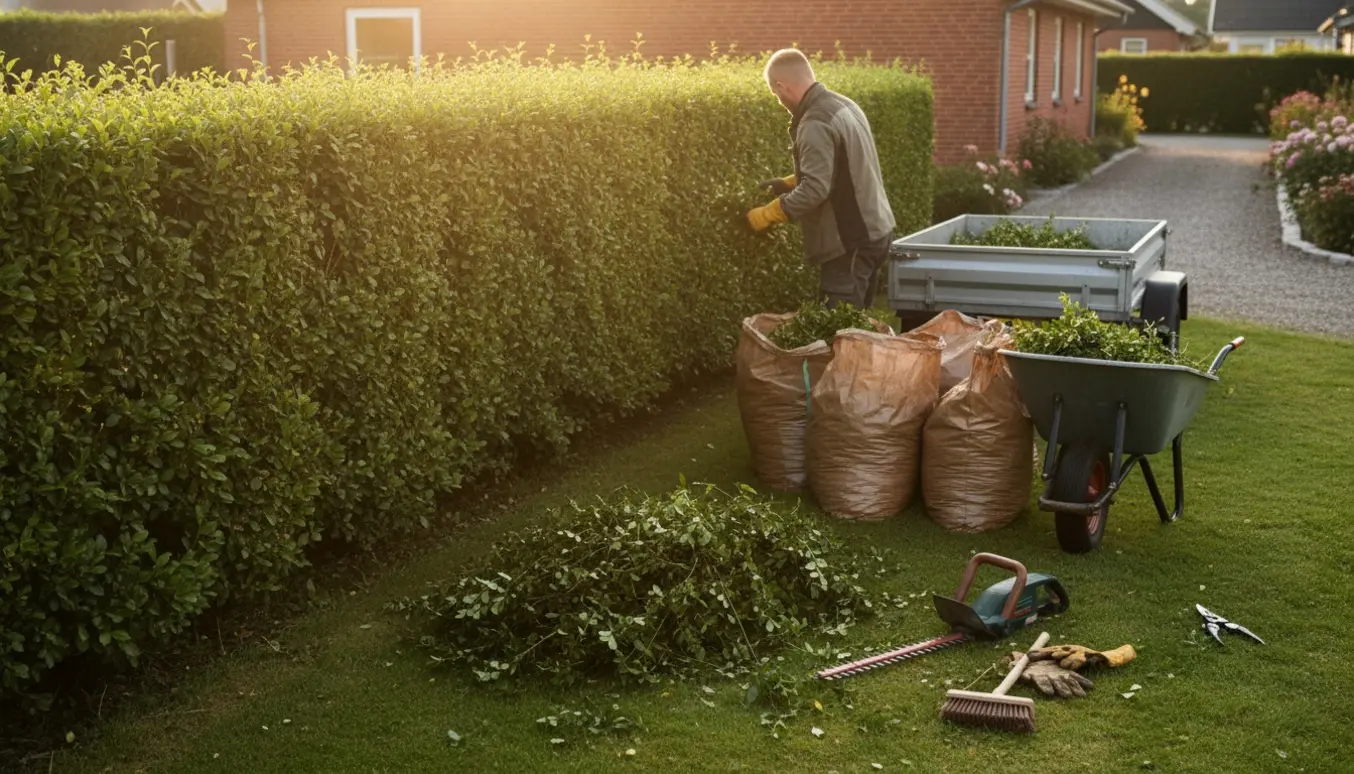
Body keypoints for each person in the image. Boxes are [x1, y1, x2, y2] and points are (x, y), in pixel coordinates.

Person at [746, 47, 896, 310]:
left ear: (781, 86)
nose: (778, 100)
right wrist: (788, 183)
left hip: (850, 241)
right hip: (876, 231)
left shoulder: (815, 122)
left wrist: (766, 214)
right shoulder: (843, 105)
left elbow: (815, 189)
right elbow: (843, 166)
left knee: (838, 327)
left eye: (775, 93)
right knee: (859, 324)